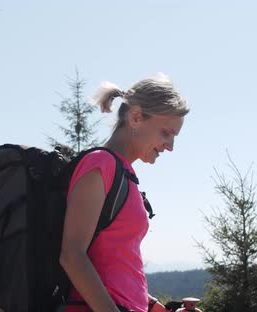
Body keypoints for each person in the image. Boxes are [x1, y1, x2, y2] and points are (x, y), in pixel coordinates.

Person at [59, 74, 190, 312]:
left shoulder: (124, 175)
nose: (170, 146)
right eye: (166, 133)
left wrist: (156, 308)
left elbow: (117, 268)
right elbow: (72, 255)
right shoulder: (100, 165)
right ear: (136, 117)